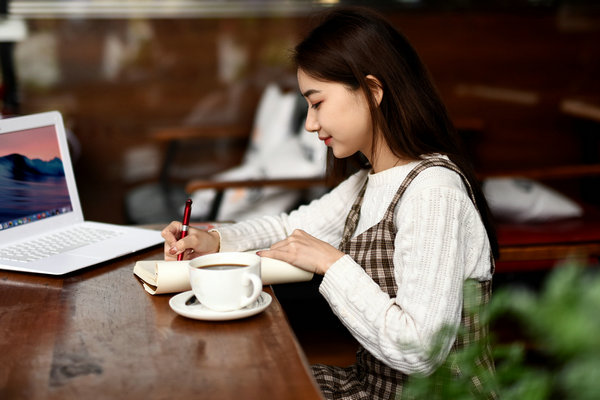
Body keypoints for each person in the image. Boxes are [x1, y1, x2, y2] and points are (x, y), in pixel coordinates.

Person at [162, 6, 498, 399]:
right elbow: (291, 229)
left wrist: (330, 262)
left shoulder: (433, 192)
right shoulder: (367, 183)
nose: (309, 123)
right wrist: (215, 240)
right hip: (375, 388)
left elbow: (421, 350)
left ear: (373, 90)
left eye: (317, 102)